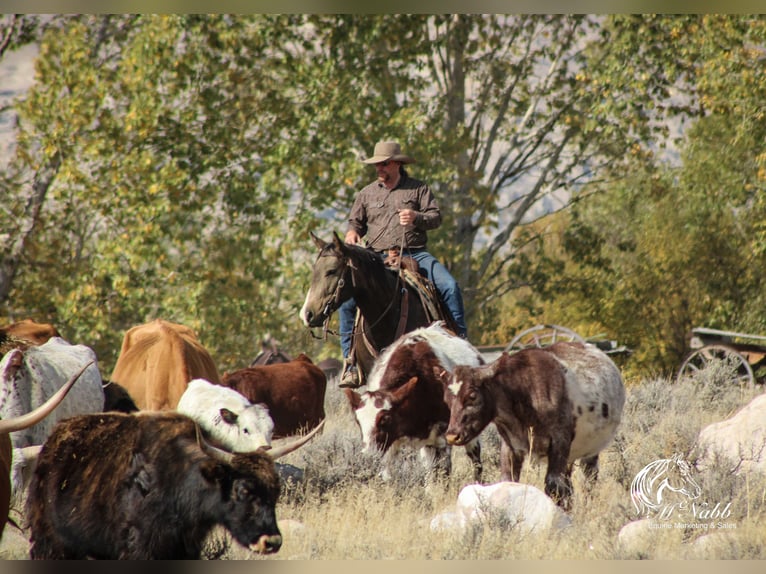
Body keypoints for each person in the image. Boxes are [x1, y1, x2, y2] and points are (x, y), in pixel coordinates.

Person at [339, 140, 468, 388]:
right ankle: (351, 363)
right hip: (376, 259)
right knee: (347, 302)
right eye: (377, 164)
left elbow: (436, 218)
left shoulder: (418, 189)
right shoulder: (366, 193)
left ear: (397, 163)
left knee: (450, 287)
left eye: (384, 163)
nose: (380, 168)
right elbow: (355, 223)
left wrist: (416, 217)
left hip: (416, 254)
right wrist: (352, 234)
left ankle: (463, 348)